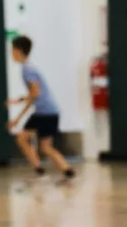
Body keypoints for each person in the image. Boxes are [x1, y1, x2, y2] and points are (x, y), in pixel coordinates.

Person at [7, 35, 76, 183]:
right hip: (52, 111)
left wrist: (17, 118)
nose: (11, 53)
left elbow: (35, 93)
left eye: (12, 50)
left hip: (44, 112)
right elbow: (35, 92)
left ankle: (40, 172)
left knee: (22, 138)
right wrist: (18, 100)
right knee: (45, 147)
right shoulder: (30, 68)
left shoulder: (27, 69)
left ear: (18, 51)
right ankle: (68, 171)